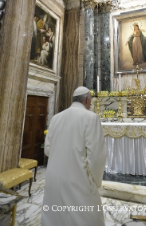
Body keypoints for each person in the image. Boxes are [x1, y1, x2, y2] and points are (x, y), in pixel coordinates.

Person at [41, 86, 107, 226]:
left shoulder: (56, 118)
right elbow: (97, 156)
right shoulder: (91, 117)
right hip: (78, 180)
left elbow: (47, 150)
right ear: (87, 100)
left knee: (55, 217)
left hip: (54, 179)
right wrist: (95, 181)